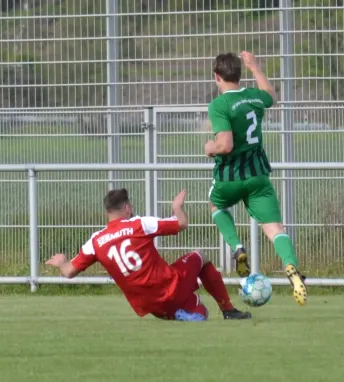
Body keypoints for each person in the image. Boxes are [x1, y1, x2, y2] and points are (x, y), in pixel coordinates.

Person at [45, 188, 252, 321]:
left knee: (201, 312)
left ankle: (183, 312)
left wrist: (62, 261)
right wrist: (177, 207)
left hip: (151, 307)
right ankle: (228, 309)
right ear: (127, 207)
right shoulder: (139, 224)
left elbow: (69, 272)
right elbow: (181, 224)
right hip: (170, 287)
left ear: (107, 212)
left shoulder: (96, 241)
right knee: (201, 256)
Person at [204, 51, 307, 306]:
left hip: (229, 176)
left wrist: (210, 147)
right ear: (239, 74)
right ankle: (292, 268)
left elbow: (225, 145)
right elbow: (272, 97)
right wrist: (256, 67)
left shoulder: (219, 105)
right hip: (257, 174)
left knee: (216, 205)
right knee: (275, 229)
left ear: (217, 77)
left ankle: (238, 248)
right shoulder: (253, 97)